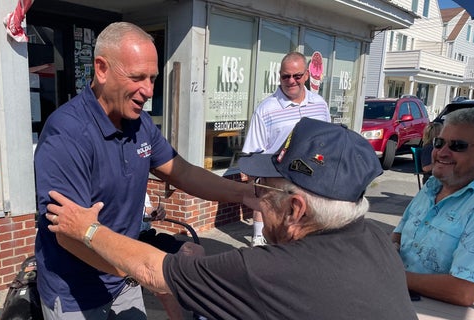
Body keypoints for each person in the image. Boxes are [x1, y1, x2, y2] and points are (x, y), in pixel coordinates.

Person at [45, 117, 418, 320]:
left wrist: (87, 228)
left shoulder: (268, 270)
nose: (256, 200)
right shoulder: (375, 242)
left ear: (295, 210)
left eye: (263, 191)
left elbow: (153, 272)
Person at [33, 21, 258, 319]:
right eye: (137, 77)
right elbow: (67, 235)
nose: (149, 90)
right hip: (78, 294)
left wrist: (245, 193)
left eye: (152, 78)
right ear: (101, 69)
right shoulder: (67, 134)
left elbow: (182, 172)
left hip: (125, 281)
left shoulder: (139, 123)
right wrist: (148, 269)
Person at [392, 107, 474, 306]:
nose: (442, 152)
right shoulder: (432, 186)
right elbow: (398, 237)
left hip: (447, 312)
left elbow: (463, 291)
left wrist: (392, 276)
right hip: (401, 299)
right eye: (438, 142)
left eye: (458, 146)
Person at [242, 52, 330, 246]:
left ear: (306, 75)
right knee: (277, 240)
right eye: (285, 76)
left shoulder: (320, 105)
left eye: (297, 76)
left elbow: (327, 141)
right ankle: (259, 237)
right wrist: (253, 182)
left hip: (310, 181)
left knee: (303, 236)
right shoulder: (266, 108)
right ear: (279, 76)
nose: (291, 81)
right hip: (276, 179)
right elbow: (254, 150)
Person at [138, 193, 204, 320]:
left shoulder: (138, 182)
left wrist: (156, 212)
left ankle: (200, 310)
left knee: (196, 251)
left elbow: (147, 208)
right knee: (162, 275)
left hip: (148, 235)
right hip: (130, 238)